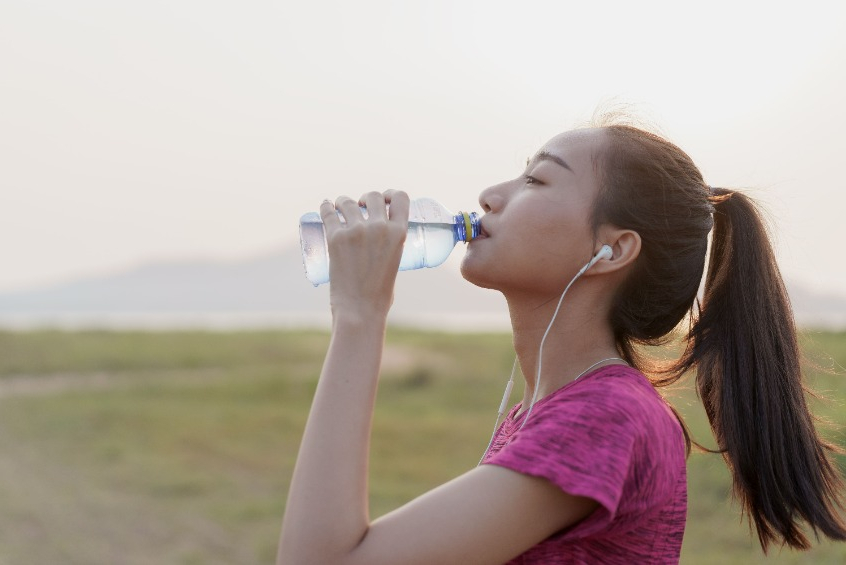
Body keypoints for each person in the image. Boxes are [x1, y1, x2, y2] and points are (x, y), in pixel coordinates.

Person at [277, 119, 846, 564]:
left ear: (613, 250)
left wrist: (359, 314)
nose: (489, 195)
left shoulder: (607, 417)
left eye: (536, 180)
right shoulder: (550, 411)